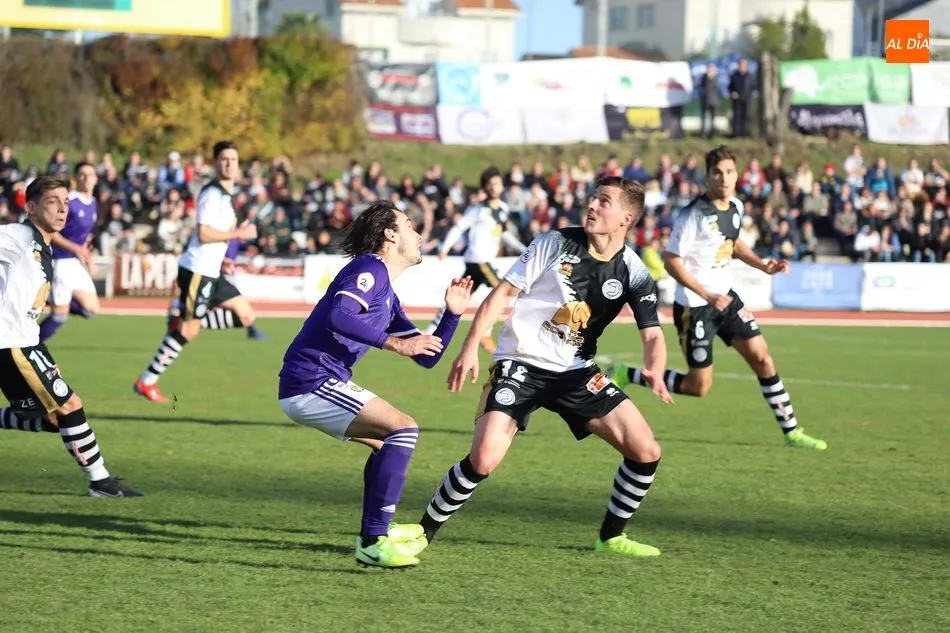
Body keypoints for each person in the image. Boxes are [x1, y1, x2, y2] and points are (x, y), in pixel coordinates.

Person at [415, 176, 673, 558]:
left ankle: (610, 536)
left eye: (604, 201)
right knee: (484, 459)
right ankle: (420, 533)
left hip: (577, 372)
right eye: (593, 198)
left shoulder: (633, 270)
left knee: (646, 450)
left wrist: (655, 367)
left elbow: (652, 334)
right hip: (520, 362)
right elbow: (502, 294)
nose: (592, 205)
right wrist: (470, 348)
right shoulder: (554, 244)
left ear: (626, 218)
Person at [278, 200, 472, 569]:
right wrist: (395, 343)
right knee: (404, 427)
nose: (419, 234)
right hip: (310, 379)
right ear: (390, 234)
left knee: (390, 441)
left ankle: (374, 531)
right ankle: (372, 540)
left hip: (316, 381)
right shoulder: (369, 267)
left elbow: (426, 356)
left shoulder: (388, 292)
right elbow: (339, 314)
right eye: (411, 226)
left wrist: (453, 313)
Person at [609, 146, 827, 450]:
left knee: (763, 359)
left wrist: (763, 265)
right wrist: (706, 293)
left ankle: (791, 431)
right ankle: (628, 373)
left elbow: (733, 244)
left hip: (727, 300)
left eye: (729, 172)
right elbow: (671, 259)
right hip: (695, 307)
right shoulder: (693, 214)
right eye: (717, 172)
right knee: (698, 387)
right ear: (707, 176)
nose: (724, 178)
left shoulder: (736, 207)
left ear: (737, 175)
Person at [0, 176, 142, 497]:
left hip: (27, 343)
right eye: (53, 202)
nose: (63, 209)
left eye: (65, 203)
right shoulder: (18, 236)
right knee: (70, 406)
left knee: (52, 419)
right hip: (11, 345)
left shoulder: (42, 244)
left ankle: (100, 480)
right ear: (32, 207)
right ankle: (100, 481)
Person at [134, 141, 259, 403]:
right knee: (189, 331)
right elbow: (203, 233)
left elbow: (215, 235)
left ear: (238, 165)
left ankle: (183, 316)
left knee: (246, 315)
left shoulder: (227, 196)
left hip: (212, 270)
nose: (229, 164)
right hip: (197, 270)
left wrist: (224, 258)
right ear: (216, 164)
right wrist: (239, 234)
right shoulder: (211, 194)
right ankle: (147, 382)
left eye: (233, 160)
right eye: (224, 159)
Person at [423, 167, 526, 353]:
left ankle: (431, 330)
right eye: (490, 184)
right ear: (485, 187)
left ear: (502, 186)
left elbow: (504, 234)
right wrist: (445, 248)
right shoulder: (478, 209)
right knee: (502, 292)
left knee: (460, 294)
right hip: (479, 260)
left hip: (482, 262)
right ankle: (485, 332)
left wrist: (524, 249)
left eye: (497, 183)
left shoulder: (502, 209)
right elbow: (459, 227)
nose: (494, 187)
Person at [38, 162, 101, 342]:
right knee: (60, 315)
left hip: (74, 261)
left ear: (96, 179)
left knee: (91, 309)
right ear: (76, 178)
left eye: (90, 174)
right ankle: (28, 347)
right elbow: (50, 231)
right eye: (82, 174)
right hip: (59, 260)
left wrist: (88, 256)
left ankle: (51, 298)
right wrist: (77, 249)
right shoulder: (68, 201)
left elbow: (83, 236)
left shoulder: (93, 203)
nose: (86, 178)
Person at [164, 239, 268, 340]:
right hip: (208, 273)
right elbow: (204, 242)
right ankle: (183, 316)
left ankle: (184, 318)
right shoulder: (225, 231)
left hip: (222, 272)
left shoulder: (233, 236)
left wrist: (247, 247)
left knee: (243, 311)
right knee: (233, 308)